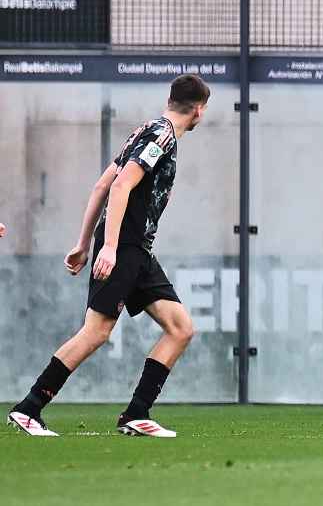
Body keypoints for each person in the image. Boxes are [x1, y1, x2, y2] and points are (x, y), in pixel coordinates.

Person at [8, 75, 210, 438]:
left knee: (180, 328)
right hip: (126, 246)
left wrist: (84, 243)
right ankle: (29, 409)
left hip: (137, 250)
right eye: (203, 109)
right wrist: (110, 247)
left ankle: (136, 413)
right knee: (96, 332)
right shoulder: (160, 137)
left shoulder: (144, 130)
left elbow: (102, 184)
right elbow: (119, 186)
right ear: (198, 109)